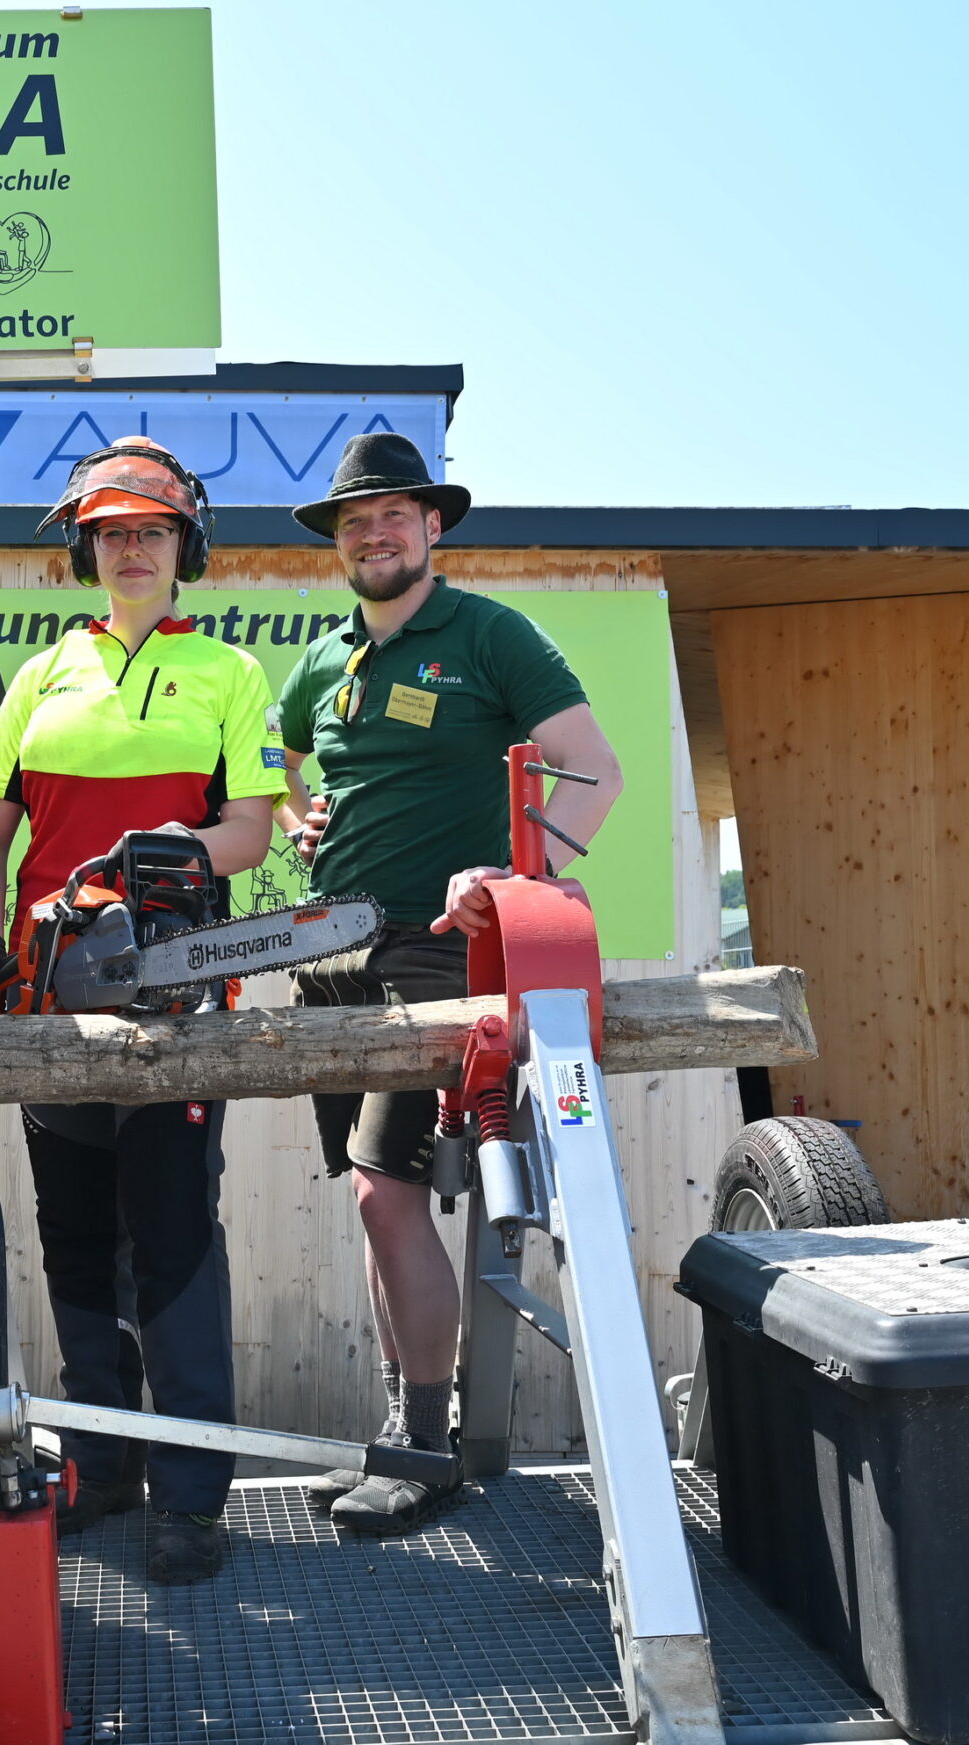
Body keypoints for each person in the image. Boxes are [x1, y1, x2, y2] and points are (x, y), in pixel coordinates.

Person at [276, 432, 623, 1535]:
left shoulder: (488, 634)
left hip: (436, 955)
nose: (373, 534)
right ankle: (403, 1431)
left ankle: (423, 1448)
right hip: (329, 959)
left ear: (432, 527)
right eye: (353, 521)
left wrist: (520, 878)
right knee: (373, 1205)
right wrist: (297, 820)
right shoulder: (321, 660)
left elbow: (595, 770)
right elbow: (289, 769)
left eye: (393, 516)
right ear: (337, 543)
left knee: (390, 1193)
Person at [0, 438, 288, 1586]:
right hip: (52, 992)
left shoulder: (229, 674)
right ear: (86, 547)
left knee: (174, 1239)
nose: (131, 549)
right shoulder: (44, 671)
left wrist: (165, 849)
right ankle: (101, 1463)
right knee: (75, 1243)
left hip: (175, 989)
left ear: (183, 544)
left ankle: (190, 1492)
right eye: (111, 532)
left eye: (150, 531)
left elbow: (251, 826)